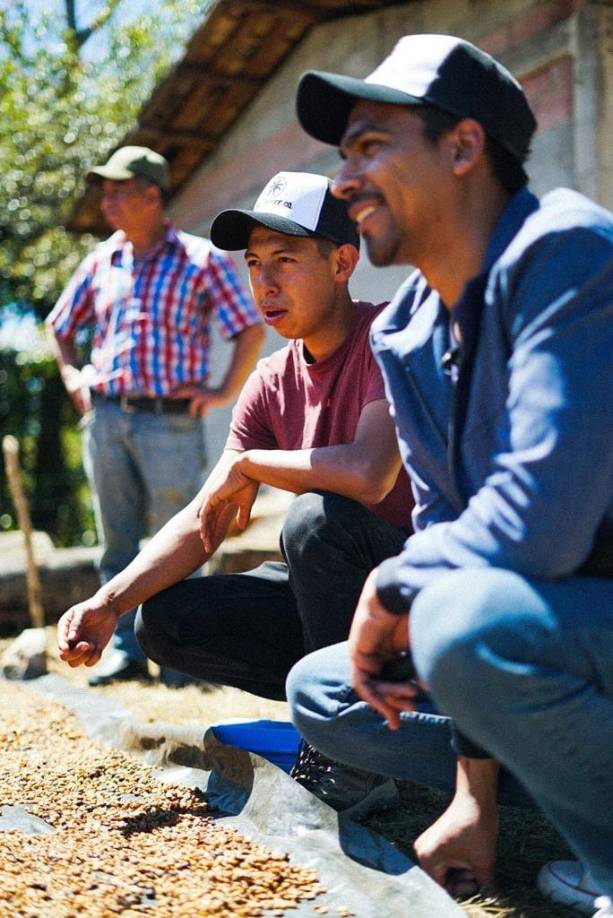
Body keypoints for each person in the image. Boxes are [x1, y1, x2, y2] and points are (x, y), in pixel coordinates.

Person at [285, 34, 613, 916]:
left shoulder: (566, 254)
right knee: (325, 687)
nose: (343, 181)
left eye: (369, 146)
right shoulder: (406, 333)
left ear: (463, 146)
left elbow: (543, 518)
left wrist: (395, 585)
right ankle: (564, 793)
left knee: (462, 621)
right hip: (564, 631)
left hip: (582, 610)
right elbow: (446, 531)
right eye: (342, 154)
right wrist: (472, 796)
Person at [57, 170, 415, 814]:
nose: (264, 284)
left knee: (315, 520)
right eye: (253, 264)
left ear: (341, 263)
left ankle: (351, 754)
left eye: (285, 260)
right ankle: (342, 720)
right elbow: (208, 517)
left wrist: (250, 462)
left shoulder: (388, 335)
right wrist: (108, 604)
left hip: (419, 596)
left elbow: (370, 473)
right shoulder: (270, 380)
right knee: (165, 620)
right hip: (342, 610)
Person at [47, 145, 264, 686]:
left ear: (151, 195)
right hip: (106, 419)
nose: (106, 202)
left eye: (118, 191)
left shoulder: (199, 258)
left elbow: (248, 326)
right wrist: (73, 377)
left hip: (170, 421)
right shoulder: (102, 260)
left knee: (185, 538)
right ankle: (122, 650)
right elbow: (60, 325)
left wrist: (222, 391)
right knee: (116, 541)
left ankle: (179, 660)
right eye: (104, 192)